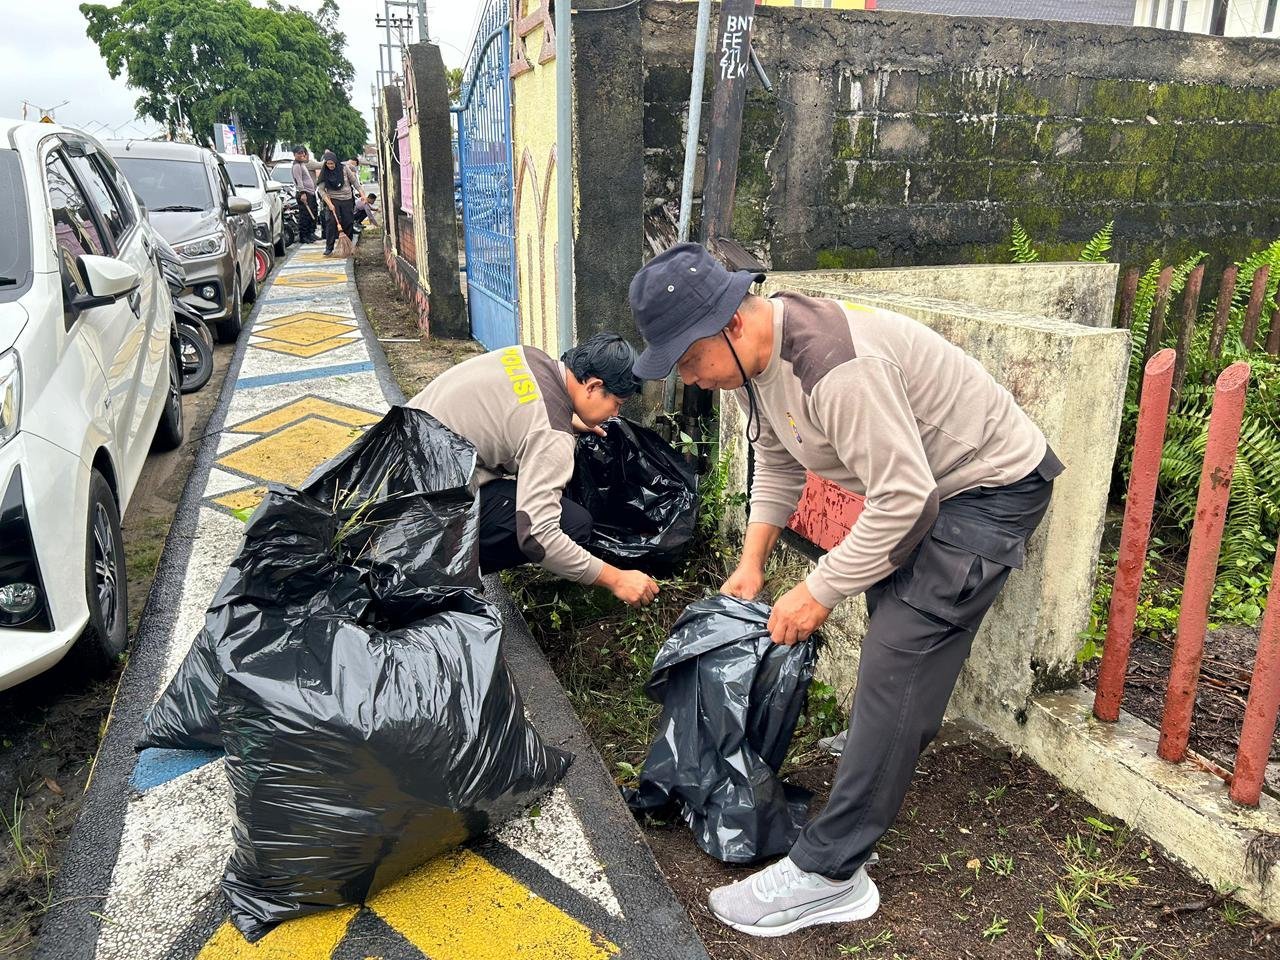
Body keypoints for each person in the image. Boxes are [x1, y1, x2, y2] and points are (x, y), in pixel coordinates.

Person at [628, 242, 1063, 938]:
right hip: (925, 489)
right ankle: (879, 742)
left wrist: (818, 589)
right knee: (894, 642)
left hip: (986, 489)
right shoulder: (755, 364)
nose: (688, 378)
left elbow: (906, 500)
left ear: (731, 324)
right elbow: (778, 460)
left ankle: (830, 874)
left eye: (687, 359)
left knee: (899, 656)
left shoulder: (834, 368)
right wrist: (753, 561)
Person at [406, 334, 659, 606]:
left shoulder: (529, 357)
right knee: (573, 524)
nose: (615, 415)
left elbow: (520, 411)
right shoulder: (551, 434)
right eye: (617, 404)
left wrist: (565, 419)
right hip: (417, 515)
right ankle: (443, 578)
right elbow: (538, 537)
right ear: (593, 386)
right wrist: (616, 579)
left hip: (393, 457)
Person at [315, 150, 368, 255]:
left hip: (347, 199)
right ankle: (329, 247)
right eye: (328, 164)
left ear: (335, 161)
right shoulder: (325, 172)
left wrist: (362, 194)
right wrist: (329, 204)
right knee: (331, 223)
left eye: (332, 163)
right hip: (333, 200)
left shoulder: (344, 169)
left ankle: (347, 246)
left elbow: (355, 182)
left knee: (348, 222)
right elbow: (321, 190)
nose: (330, 166)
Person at [290, 146, 319, 244]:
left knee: (313, 213)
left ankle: (310, 233)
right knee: (305, 216)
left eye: (303, 152)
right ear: (294, 155)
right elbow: (298, 181)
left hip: (310, 192)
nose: (302, 155)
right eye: (299, 153)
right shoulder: (296, 166)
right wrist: (302, 193)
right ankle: (304, 236)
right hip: (304, 193)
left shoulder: (302, 164)